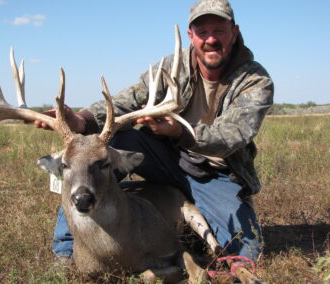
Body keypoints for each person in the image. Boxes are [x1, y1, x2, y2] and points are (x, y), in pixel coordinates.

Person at [36, 0, 274, 264]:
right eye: (202, 32)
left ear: (234, 31)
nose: (210, 39)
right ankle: (68, 248)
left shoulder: (255, 81)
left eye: (218, 30)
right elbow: (129, 99)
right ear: (190, 35)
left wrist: (180, 132)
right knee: (99, 151)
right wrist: (83, 120)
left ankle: (180, 223)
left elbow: (233, 135)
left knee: (248, 251)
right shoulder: (173, 67)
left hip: (215, 174)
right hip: (165, 157)